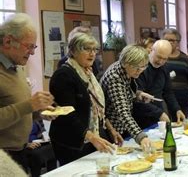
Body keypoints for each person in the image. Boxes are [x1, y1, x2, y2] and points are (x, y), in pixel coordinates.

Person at [49, 33, 123, 165]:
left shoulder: (88, 72)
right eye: (87, 49)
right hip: (72, 141)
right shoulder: (64, 75)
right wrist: (90, 136)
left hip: (93, 135)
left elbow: (97, 107)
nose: (92, 54)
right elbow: (66, 114)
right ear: (73, 51)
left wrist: (111, 130)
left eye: (94, 49)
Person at [0, 13, 54, 169]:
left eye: (34, 46)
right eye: (29, 46)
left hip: (20, 152)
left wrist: (39, 112)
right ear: (8, 41)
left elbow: (17, 107)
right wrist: (30, 105)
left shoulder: (16, 67)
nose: (32, 52)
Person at [100, 44, 154, 151]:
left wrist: (137, 94)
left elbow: (124, 91)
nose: (139, 70)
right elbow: (123, 112)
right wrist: (140, 137)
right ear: (125, 63)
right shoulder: (115, 78)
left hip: (121, 125)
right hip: (112, 127)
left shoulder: (125, 70)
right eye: (136, 67)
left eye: (143, 67)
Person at [136, 40, 186, 126]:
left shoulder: (164, 67)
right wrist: (159, 113)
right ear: (151, 50)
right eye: (158, 57)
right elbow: (138, 97)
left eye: (165, 59)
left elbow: (168, 92)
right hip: (141, 114)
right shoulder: (140, 67)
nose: (160, 62)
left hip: (158, 112)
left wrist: (177, 109)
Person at [162, 29, 188, 119]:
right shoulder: (161, 57)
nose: (169, 42)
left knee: (182, 122)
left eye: (172, 40)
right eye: (166, 40)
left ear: (178, 42)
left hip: (182, 97)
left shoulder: (184, 58)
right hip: (165, 97)